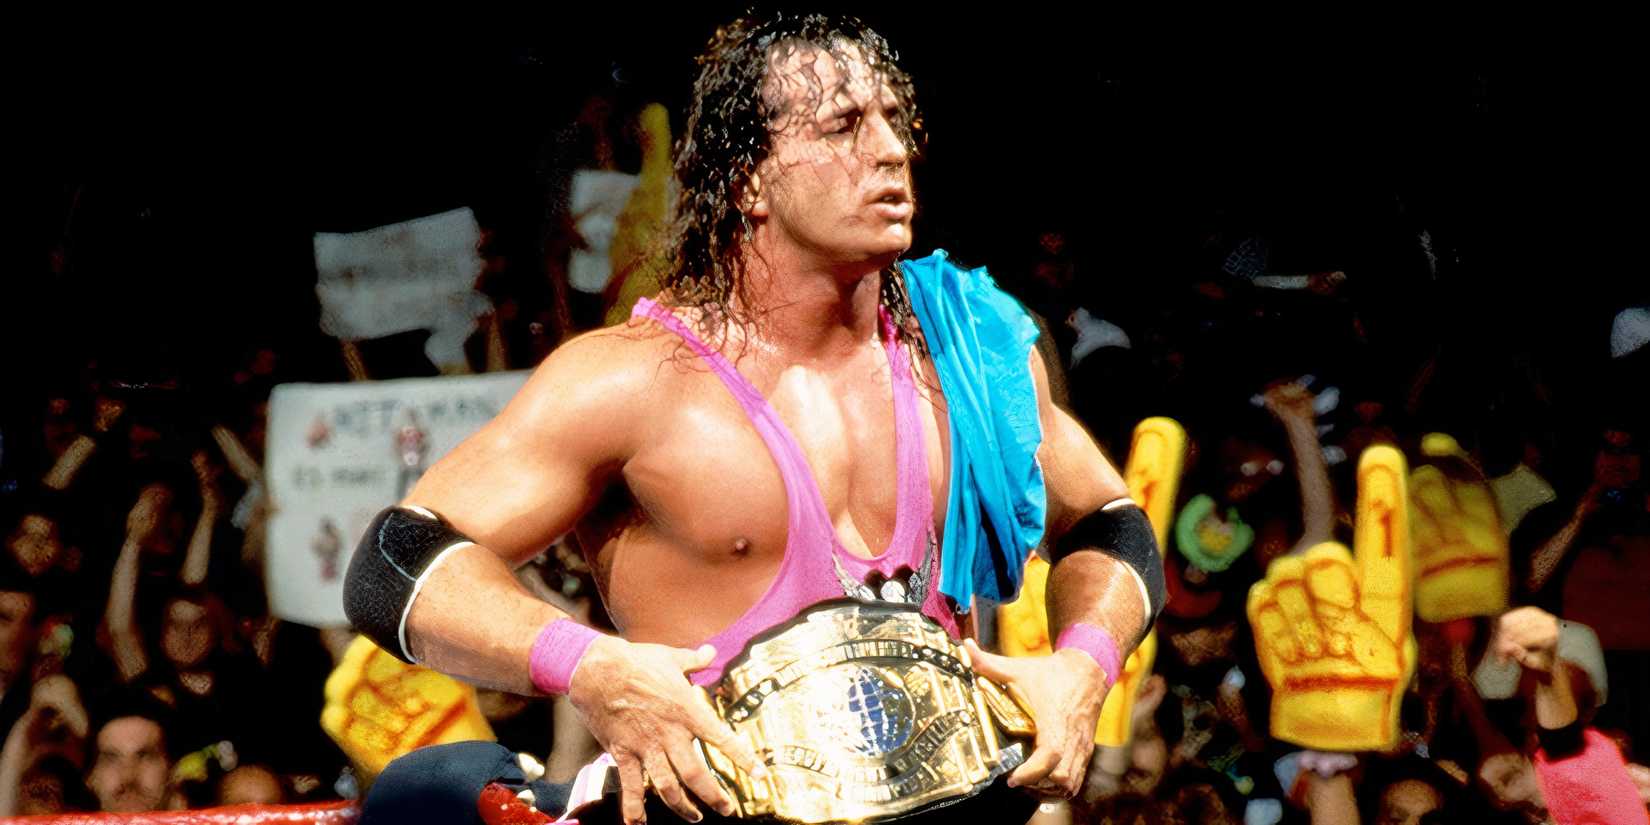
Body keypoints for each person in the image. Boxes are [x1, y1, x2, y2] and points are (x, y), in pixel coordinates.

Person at [345, 12, 1163, 825]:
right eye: (843, 126)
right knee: (425, 792)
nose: (890, 151)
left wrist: (1084, 664)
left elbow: (1108, 518)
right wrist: (588, 664)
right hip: (710, 811)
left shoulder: (969, 350)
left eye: (893, 120)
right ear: (747, 180)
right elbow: (397, 562)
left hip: (946, 804)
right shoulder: (633, 383)